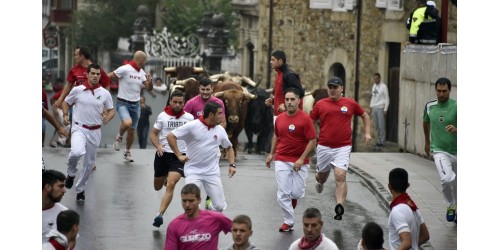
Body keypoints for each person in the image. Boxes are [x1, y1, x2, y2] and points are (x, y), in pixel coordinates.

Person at [309, 76, 371, 220]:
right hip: (324, 146)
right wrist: (311, 136)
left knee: (340, 175)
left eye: (335, 87)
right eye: (330, 87)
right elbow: (310, 120)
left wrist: (367, 133)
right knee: (321, 177)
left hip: (343, 147)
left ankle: (339, 206)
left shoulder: (350, 103)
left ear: (342, 88)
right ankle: (319, 181)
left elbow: (365, 115)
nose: (332, 89)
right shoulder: (320, 104)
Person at [167, 101, 236, 212]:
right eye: (219, 113)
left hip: (212, 172)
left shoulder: (220, 130)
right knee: (192, 204)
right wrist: (179, 155)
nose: (222, 117)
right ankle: (195, 226)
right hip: (193, 171)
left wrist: (232, 165)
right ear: (211, 115)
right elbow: (171, 136)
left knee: (219, 206)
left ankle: (209, 211)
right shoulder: (192, 126)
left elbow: (228, 147)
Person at [265, 88, 317, 232]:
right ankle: (289, 221)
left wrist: (301, 159)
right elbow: (276, 135)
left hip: (300, 162)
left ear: (298, 100)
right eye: (287, 100)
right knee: (283, 193)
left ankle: (292, 199)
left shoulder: (305, 119)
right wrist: (271, 154)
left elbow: (312, 140)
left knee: (296, 193)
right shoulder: (280, 118)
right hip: (282, 158)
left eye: (292, 99)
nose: (289, 102)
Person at [62, 63, 115, 201]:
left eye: (98, 74)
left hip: (95, 131)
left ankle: (80, 190)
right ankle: (71, 174)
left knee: (89, 164)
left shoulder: (105, 93)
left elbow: (111, 109)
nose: (96, 76)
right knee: (76, 152)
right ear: (87, 74)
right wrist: (66, 115)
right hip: (79, 128)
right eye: (93, 73)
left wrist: (109, 116)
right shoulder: (77, 90)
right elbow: (66, 102)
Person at [150, 90, 194, 227]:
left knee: (172, 183)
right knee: (157, 187)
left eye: (180, 102)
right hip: (163, 154)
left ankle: (159, 215)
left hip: (179, 156)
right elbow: (153, 134)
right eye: (175, 102)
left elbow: (195, 136)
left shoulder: (189, 118)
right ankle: (164, 180)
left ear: (184, 103)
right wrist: (158, 145)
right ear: (170, 101)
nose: (177, 105)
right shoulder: (162, 116)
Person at [182, 76, 227, 206]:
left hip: (212, 143)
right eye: (203, 89)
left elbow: (222, 122)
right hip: (195, 144)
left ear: (212, 89)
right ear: (199, 89)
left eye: (208, 89)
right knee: (194, 176)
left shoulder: (219, 103)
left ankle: (209, 198)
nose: (205, 92)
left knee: (211, 173)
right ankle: (195, 202)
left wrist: (217, 135)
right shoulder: (191, 103)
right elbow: (183, 122)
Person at [423, 77, 457, 223]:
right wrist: (427, 142)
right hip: (439, 150)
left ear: (450, 90)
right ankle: (450, 205)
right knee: (447, 178)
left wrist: (457, 129)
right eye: (439, 91)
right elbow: (425, 122)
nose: (441, 94)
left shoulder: (457, 106)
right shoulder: (430, 106)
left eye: (444, 91)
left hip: (457, 150)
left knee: (457, 182)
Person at [109, 50, 153, 162]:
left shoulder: (142, 73)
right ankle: (119, 137)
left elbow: (149, 88)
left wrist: (149, 81)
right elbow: (109, 76)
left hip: (135, 105)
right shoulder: (125, 69)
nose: (145, 63)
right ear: (141, 60)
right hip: (123, 102)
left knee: (132, 131)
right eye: (145, 61)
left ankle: (127, 151)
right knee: (127, 123)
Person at [164, 183, 232, 250]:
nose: (187, 205)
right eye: (184, 201)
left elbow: (239, 229)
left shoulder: (216, 218)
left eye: (191, 201)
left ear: (199, 200)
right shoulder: (174, 225)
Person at [52, 46, 111, 110]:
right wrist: (60, 99)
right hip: (77, 104)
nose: (75, 57)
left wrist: (103, 101)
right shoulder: (74, 69)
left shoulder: (96, 69)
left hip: (93, 105)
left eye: (76, 55)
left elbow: (107, 84)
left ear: (82, 57)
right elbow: (68, 85)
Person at [388, 168, 430, 250]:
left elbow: (406, 243)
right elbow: (425, 235)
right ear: (407, 185)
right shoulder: (412, 207)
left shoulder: (397, 211)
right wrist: (414, 246)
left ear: (389, 186)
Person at [265, 50, 305, 121]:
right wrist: (273, 101)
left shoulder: (289, 75)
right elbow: (283, 95)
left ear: (280, 61)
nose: (270, 62)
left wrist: (286, 106)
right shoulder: (279, 74)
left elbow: (300, 93)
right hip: (279, 116)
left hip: (289, 117)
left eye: (273, 60)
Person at [42, 169, 68, 243]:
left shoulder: (64, 214)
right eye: (61, 186)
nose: (64, 190)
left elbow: (69, 243)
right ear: (48, 187)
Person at [369, 73, 390, 147]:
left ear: (379, 78)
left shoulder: (383, 87)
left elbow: (387, 98)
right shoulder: (374, 86)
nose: (376, 80)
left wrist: (385, 108)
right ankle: (378, 141)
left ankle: (382, 141)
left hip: (380, 107)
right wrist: (371, 106)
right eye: (374, 78)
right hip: (374, 107)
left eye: (377, 78)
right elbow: (373, 97)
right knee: (376, 126)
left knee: (381, 125)